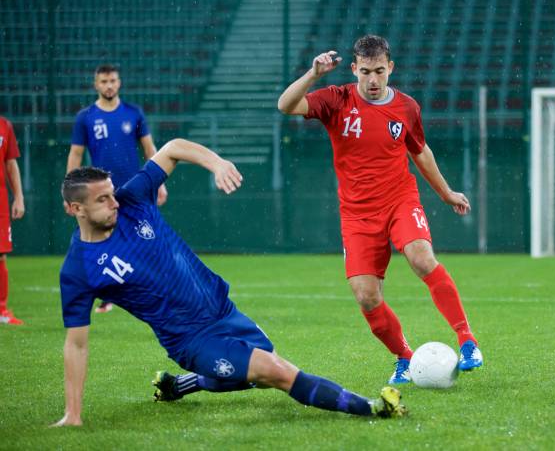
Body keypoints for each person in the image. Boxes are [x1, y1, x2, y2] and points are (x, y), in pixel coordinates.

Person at [53, 138, 406, 427]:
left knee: (253, 371)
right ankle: (372, 407)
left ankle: (177, 385)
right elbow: (77, 345)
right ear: (75, 209)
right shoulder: (79, 269)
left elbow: (173, 148)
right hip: (190, 339)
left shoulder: (131, 201)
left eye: (112, 192)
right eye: (102, 199)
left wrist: (217, 163)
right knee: (277, 371)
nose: (114, 202)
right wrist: (73, 414)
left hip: (222, 309)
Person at [277, 35, 483, 383]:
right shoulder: (335, 99)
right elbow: (285, 105)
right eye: (365, 72)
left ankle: (467, 341)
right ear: (354, 69)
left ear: (391, 69)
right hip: (356, 215)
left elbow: (420, 152)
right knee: (366, 296)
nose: (373, 81)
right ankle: (404, 357)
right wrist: (313, 74)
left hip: (399, 200)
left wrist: (446, 192)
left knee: (421, 257)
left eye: (379, 71)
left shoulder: (406, 107)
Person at [67, 63, 168, 313]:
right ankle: (104, 292)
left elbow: (149, 149)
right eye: (104, 81)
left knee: (145, 235)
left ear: (119, 82)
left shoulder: (133, 113)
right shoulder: (86, 117)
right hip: (100, 193)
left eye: (112, 80)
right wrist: (70, 191)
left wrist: (160, 182)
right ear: (96, 84)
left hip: (133, 189)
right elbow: (75, 154)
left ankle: (151, 288)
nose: (109, 85)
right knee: (100, 240)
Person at [0, 116, 25, 325]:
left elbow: (10, 163)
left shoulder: (5, 125)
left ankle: (1, 310)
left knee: (0, 254)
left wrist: (18, 197)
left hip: (0, 200)